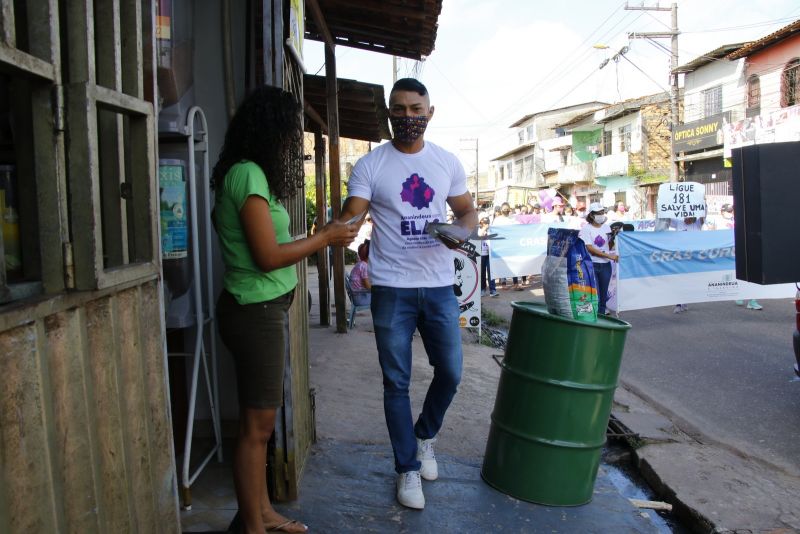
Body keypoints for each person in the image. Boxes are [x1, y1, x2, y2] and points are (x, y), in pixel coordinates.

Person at [212, 85, 357, 534]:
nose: (292, 142)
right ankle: (253, 527)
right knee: (257, 428)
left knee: (260, 426)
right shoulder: (248, 174)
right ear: (269, 129)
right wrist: (326, 238)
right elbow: (268, 256)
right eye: (290, 132)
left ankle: (262, 514)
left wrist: (324, 233)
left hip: (261, 310)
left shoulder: (250, 175)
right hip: (253, 313)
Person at [339, 77, 478, 510]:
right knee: (395, 382)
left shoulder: (447, 162)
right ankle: (407, 469)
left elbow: (468, 211)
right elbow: (351, 218)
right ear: (389, 115)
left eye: (416, 110)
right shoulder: (371, 165)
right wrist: (331, 232)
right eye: (399, 110)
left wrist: (461, 232)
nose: (408, 118)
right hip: (392, 290)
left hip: (438, 285)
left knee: (451, 372)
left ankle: (424, 437)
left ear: (430, 113)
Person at [578, 202, 618, 315]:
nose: (601, 215)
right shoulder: (586, 229)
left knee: (604, 293)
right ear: (591, 215)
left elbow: (609, 246)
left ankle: (601, 316)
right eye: (598, 213)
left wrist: (613, 237)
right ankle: (595, 316)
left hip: (605, 265)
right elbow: (589, 248)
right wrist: (609, 256)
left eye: (602, 212)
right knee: (596, 294)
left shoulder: (606, 227)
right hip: (592, 264)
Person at [669, 215, 703, 313]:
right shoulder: (678, 222)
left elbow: (703, 212)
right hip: (680, 257)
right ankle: (679, 304)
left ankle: (684, 301)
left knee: (689, 281)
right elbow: (666, 218)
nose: (686, 218)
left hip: (694, 258)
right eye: (685, 216)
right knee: (679, 280)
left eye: (689, 217)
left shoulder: (698, 223)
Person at [478, 217, 499, 297]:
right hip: (481, 254)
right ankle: (482, 289)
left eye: (487, 223)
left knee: (491, 272)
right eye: (484, 223)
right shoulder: (479, 230)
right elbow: (479, 236)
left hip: (489, 254)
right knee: (482, 273)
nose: (486, 225)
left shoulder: (491, 230)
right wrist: (484, 229)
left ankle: (493, 290)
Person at [349, 240, 372, 306]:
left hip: (357, 296)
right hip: (361, 298)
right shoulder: (365, 267)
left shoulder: (360, 264)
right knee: (382, 296)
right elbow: (367, 285)